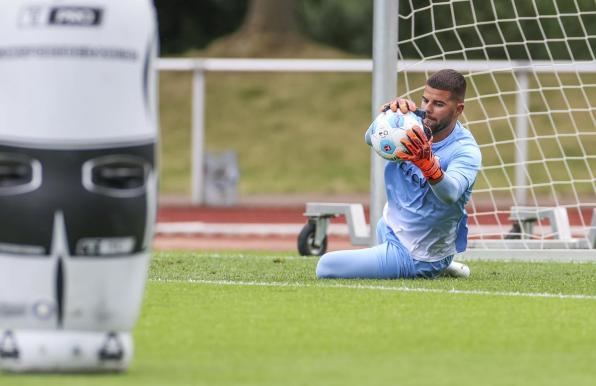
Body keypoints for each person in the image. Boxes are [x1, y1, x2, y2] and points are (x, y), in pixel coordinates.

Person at [316, 69, 481, 279]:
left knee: (326, 265)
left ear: (458, 109)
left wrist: (428, 165)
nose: (428, 110)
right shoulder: (411, 124)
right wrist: (387, 118)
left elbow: (451, 192)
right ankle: (443, 264)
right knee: (381, 224)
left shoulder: (465, 150)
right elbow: (369, 138)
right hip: (390, 228)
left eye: (438, 104)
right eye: (425, 101)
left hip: (415, 254)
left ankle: (434, 265)